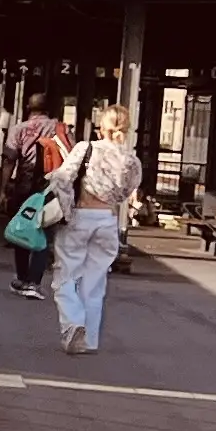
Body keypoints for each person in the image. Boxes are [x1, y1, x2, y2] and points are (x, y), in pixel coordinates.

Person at [53, 106, 142, 354]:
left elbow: (62, 179)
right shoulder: (131, 161)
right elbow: (127, 194)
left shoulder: (85, 148)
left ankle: (72, 324)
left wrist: (66, 210)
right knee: (95, 283)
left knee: (65, 276)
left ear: (101, 127)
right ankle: (89, 339)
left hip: (81, 215)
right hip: (108, 220)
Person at [7, 110, 71, 296]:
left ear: (29, 108)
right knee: (44, 233)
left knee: (22, 228)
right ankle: (34, 282)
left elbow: (9, 159)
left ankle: (22, 278)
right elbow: (72, 158)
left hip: (24, 187)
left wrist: (3, 188)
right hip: (51, 188)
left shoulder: (19, 129)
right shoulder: (61, 129)